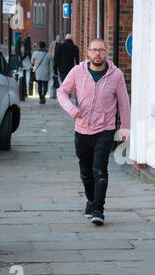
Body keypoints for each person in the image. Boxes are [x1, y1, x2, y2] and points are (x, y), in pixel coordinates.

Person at [57, 39, 131, 226]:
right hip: (82, 130)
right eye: (94, 50)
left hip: (105, 129)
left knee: (99, 170)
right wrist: (72, 110)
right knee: (85, 171)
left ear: (106, 53)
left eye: (101, 50)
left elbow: (124, 103)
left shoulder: (116, 75)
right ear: (88, 53)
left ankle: (99, 209)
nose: (97, 53)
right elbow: (62, 92)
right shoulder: (77, 72)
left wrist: (125, 131)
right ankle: (91, 201)